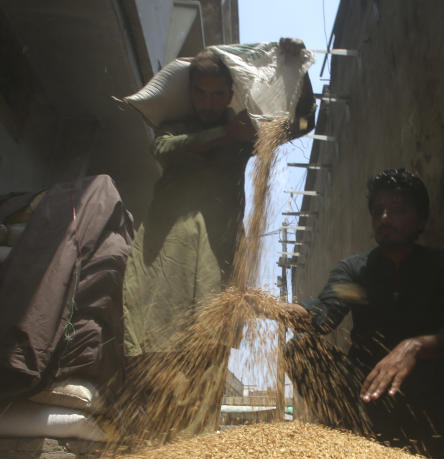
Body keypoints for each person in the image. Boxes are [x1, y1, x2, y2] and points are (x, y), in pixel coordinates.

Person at [119, 39, 315, 434]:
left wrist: (299, 72)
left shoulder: (246, 129)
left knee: (210, 342)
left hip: (218, 247)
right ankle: (148, 440)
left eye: (217, 94)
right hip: (166, 245)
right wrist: (226, 133)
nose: (208, 102)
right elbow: (165, 148)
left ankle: (197, 443)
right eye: (200, 93)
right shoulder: (177, 125)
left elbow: (303, 124)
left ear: (231, 94)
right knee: (156, 334)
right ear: (190, 93)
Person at [272, 168, 444, 459]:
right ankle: (358, 448)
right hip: (365, 394)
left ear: (421, 220)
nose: (385, 218)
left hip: (425, 393)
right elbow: (322, 316)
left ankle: (427, 455)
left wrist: (414, 347)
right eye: (378, 211)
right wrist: (273, 308)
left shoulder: (443, 266)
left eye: (397, 210)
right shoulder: (354, 270)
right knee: (300, 349)